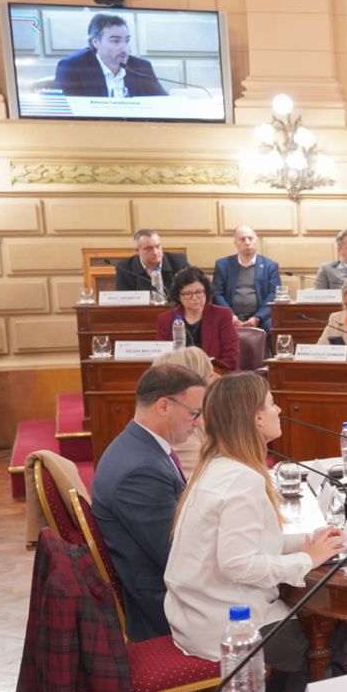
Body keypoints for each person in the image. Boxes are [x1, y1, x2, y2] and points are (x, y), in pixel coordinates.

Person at [163, 373, 347, 692]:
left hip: (196, 611)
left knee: (318, 631)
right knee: (337, 639)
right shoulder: (242, 479)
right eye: (271, 403)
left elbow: (250, 543)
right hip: (224, 621)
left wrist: (309, 541)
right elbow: (237, 563)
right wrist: (307, 558)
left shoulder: (217, 466)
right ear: (256, 418)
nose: (278, 409)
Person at [90, 364, 207, 641]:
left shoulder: (138, 447)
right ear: (164, 406)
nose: (199, 423)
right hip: (164, 606)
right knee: (285, 623)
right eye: (194, 413)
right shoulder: (140, 470)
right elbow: (177, 555)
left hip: (170, 585)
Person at [54, 13, 168, 99]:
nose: (124, 48)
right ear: (96, 42)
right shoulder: (72, 67)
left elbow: (163, 104)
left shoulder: (141, 67)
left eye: (127, 40)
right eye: (116, 41)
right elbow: (63, 114)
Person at [152, 346, 217, 476]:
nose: (215, 380)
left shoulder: (197, 415)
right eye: (210, 376)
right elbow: (196, 480)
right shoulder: (180, 432)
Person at [155, 267, 239, 367]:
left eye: (199, 292)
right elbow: (163, 358)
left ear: (206, 292)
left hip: (216, 373)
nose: (194, 298)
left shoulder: (222, 315)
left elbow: (231, 355)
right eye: (188, 294)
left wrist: (209, 372)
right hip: (179, 373)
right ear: (179, 297)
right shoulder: (165, 319)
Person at [212, 225, 282, 333]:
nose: (247, 242)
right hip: (230, 316)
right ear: (235, 243)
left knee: (272, 328)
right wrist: (230, 315)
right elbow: (217, 294)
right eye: (242, 239)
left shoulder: (270, 266)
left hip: (260, 318)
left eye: (250, 238)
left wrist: (258, 317)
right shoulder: (223, 265)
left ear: (256, 240)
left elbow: (274, 295)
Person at [114, 229, 189, 296]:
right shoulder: (125, 268)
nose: (155, 252)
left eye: (157, 246)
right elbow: (124, 299)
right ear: (137, 251)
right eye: (148, 249)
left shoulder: (178, 262)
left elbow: (193, 289)